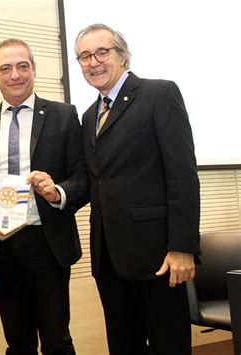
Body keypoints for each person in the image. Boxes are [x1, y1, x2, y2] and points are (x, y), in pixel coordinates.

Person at [74, 23, 201, 354]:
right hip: (109, 258)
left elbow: (182, 174)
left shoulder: (160, 94)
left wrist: (183, 246)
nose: (93, 62)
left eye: (102, 52)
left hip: (158, 257)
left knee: (168, 345)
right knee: (123, 346)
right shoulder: (89, 116)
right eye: (84, 56)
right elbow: (95, 181)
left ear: (123, 55)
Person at [0, 38, 88, 355]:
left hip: (47, 243)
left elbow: (82, 178)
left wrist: (57, 191)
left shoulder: (64, 115)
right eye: (5, 68)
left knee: (56, 340)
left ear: (34, 69)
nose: (15, 75)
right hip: (2, 244)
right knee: (17, 342)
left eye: (23, 66)